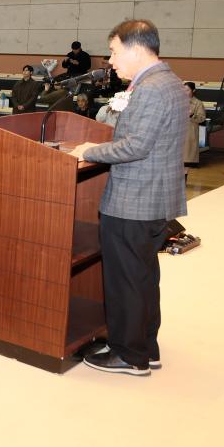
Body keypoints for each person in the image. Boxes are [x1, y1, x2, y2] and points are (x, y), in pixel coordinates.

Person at [70, 20, 187, 376]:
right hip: (153, 198)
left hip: (134, 200)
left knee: (126, 281)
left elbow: (136, 146)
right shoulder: (170, 82)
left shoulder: (151, 88)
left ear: (136, 49)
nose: (110, 60)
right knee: (143, 277)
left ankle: (129, 354)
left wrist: (90, 150)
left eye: (114, 51)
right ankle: (145, 347)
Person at [184, 82, 206, 167]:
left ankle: (190, 163)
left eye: (187, 90)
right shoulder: (179, 102)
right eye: (183, 90)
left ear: (193, 90)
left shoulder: (198, 103)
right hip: (179, 130)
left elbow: (202, 118)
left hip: (191, 130)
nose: (185, 92)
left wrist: (191, 115)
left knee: (189, 155)